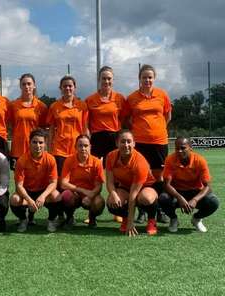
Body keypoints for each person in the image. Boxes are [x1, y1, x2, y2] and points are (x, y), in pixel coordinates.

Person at [122, 64, 172, 224]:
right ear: (139, 79)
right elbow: (126, 119)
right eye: (144, 77)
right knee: (141, 176)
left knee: (159, 177)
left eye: (150, 77)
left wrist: (157, 129)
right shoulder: (131, 98)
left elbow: (167, 116)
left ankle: (159, 209)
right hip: (140, 143)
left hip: (159, 142)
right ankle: (142, 211)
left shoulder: (162, 95)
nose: (147, 80)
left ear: (154, 78)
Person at [85, 66, 126, 224]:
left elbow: (124, 119)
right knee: (94, 175)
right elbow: (87, 123)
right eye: (103, 78)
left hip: (113, 138)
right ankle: (92, 213)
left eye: (109, 78)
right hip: (96, 139)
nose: (106, 81)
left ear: (113, 80)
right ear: (99, 80)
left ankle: (117, 210)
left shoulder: (120, 99)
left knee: (116, 176)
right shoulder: (90, 100)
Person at [9, 73, 48, 225]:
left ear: (34, 86)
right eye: (24, 84)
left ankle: (31, 217)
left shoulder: (41, 106)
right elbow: (11, 124)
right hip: (18, 150)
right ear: (20, 86)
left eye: (29, 84)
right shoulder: (13, 105)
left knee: (35, 181)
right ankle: (23, 217)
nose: (27, 87)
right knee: (21, 184)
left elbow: (44, 128)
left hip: (36, 151)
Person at [158, 137, 220, 233]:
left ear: (190, 147)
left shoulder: (200, 160)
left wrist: (195, 200)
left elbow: (207, 186)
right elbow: (166, 185)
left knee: (213, 202)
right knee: (163, 198)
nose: (179, 151)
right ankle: (174, 219)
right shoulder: (170, 159)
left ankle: (197, 219)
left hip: (195, 192)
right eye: (177, 148)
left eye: (183, 148)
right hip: (176, 192)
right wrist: (180, 198)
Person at [106, 130, 159, 236]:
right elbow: (110, 182)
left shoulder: (140, 162)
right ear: (117, 143)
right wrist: (114, 194)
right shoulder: (111, 156)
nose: (126, 145)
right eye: (123, 141)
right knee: (111, 202)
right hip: (125, 186)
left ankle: (152, 220)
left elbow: (133, 195)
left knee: (145, 198)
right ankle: (125, 219)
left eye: (129, 141)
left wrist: (131, 223)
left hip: (145, 187)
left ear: (134, 143)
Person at [10, 128, 61, 232]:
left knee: (56, 196)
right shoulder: (22, 160)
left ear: (45, 144)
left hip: (43, 191)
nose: (38, 145)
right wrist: (28, 200)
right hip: (27, 191)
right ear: (29, 143)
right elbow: (19, 186)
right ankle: (23, 220)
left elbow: (53, 183)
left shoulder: (50, 159)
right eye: (34, 142)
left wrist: (43, 196)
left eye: (41, 142)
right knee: (14, 199)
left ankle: (51, 221)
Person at [59, 135, 105, 228]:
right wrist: (83, 191)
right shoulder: (69, 160)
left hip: (90, 195)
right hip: (74, 194)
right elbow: (63, 184)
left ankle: (92, 218)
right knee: (66, 196)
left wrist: (90, 196)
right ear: (75, 147)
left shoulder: (97, 162)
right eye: (80, 145)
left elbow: (99, 186)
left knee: (99, 202)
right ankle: (69, 217)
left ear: (90, 147)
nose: (83, 148)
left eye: (86, 145)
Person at [47, 75, 89, 176]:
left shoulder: (82, 106)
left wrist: (87, 148)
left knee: (77, 179)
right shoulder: (54, 106)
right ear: (60, 88)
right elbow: (51, 130)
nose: (67, 88)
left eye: (70, 86)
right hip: (59, 150)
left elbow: (85, 128)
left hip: (77, 149)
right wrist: (49, 150)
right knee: (61, 181)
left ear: (74, 87)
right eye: (64, 86)